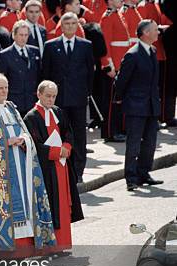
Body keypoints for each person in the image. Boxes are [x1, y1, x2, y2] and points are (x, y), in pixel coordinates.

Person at [0, 72, 55, 256]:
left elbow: (26, 134)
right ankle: (9, 250)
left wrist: (23, 140)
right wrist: (5, 143)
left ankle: (30, 246)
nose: (4, 91)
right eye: (0, 88)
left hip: (22, 166)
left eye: (6, 87)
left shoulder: (12, 109)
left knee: (27, 205)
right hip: (3, 174)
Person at [23, 81, 84, 250]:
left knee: (64, 205)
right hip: (46, 170)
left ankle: (64, 243)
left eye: (54, 96)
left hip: (62, 167)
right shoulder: (31, 117)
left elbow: (68, 133)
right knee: (51, 206)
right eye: (48, 96)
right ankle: (51, 245)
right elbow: (34, 144)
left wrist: (67, 147)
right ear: (39, 94)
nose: (51, 100)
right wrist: (56, 152)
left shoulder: (58, 112)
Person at [43, 12, 95, 182]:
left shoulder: (86, 45)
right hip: (58, 99)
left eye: (74, 23)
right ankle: (61, 168)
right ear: (62, 27)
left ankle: (78, 170)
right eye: (67, 24)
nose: (70, 26)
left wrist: (87, 93)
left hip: (78, 98)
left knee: (79, 134)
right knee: (59, 134)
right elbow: (46, 73)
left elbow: (90, 73)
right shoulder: (51, 46)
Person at [114, 19, 163, 191]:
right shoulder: (133, 54)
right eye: (155, 30)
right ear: (145, 33)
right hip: (136, 105)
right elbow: (121, 80)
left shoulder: (153, 51)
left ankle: (144, 173)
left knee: (150, 142)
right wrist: (119, 98)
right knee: (134, 142)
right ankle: (131, 178)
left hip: (151, 105)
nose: (158, 32)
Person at [0, 20, 41, 116]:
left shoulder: (34, 51)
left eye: (26, 35)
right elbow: (0, 80)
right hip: (14, 102)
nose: (23, 38)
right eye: (21, 35)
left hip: (31, 101)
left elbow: (38, 75)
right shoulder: (4, 55)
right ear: (14, 35)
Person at [99, 0, 130, 143]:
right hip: (114, 65)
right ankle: (110, 132)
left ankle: (119, 129)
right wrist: (108, 65)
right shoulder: (108, 16)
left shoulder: (118, 14)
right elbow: (105, 43)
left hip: (121, 63)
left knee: (118, 101)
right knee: (111, 102)